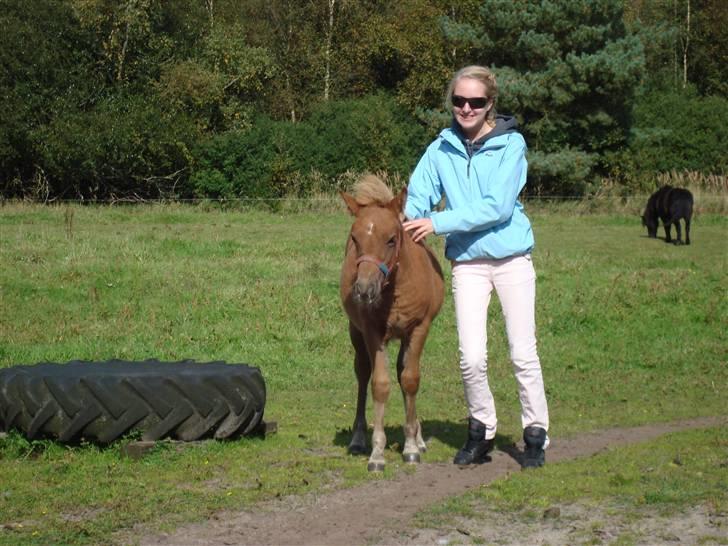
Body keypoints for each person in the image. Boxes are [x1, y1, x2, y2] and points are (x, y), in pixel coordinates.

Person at [403, 65, 550, 468]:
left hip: (511, 259)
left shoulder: (511, 146)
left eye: (476, 102)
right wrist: (405, 223)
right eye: (459, 100)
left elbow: (497, 207)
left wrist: (438, 222)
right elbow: (419, 194)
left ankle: (535, 433)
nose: (466, 108)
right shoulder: (441, 148)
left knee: (522, 352)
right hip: (468, 263)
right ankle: (481, 430)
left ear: (491, 105)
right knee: (470, 356)